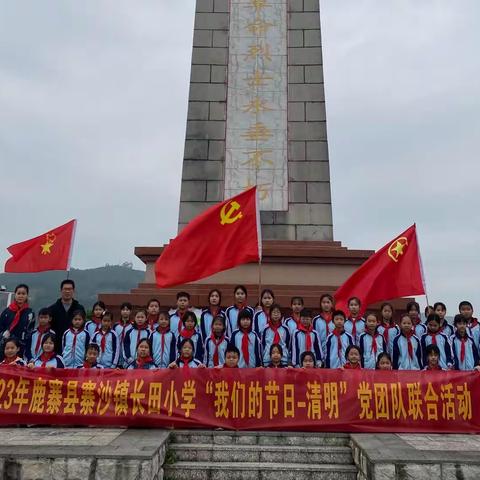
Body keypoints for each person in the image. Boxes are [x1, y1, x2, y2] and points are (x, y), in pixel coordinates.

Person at [48, 280, 85, 353]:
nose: (67, 291)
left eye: (70, 289)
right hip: (56, 348)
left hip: (75, 349)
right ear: (61, 290)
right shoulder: (52, 309)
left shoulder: (79, 308)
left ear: (73, 291)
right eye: (65, 289)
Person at [0, 284, 34, 359]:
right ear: (15, 295)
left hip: (21, 349)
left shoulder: (30, 314)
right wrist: (4, 334)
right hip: (5, 348)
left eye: (23, 293)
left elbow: (29, 334)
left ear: (27, 296)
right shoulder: (7, 312)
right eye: (18, 293)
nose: (21, 296)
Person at [113, 302, 133, 368]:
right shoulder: (116, 326)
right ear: (120, 311)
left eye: (127, 310)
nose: (125, 312)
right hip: (117, 355)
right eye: (123, 310)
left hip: (128, 356)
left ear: (130, 311)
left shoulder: (133, 326)